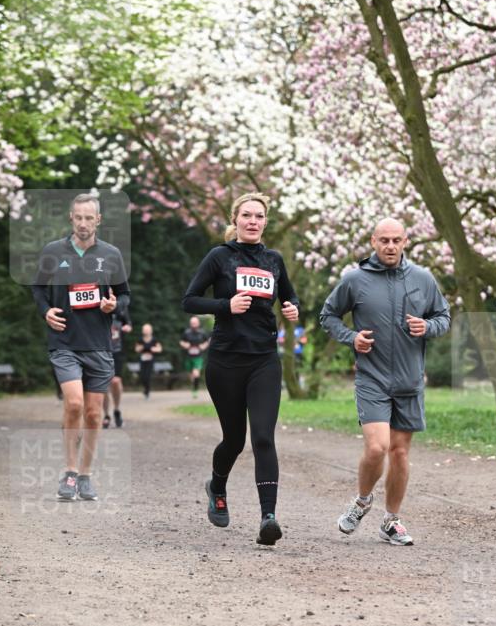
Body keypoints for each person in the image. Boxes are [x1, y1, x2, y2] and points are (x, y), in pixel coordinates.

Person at [320, 217, 450, 546]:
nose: (390, 246)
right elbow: (328, 315)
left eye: (396, 240)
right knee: (377, 447)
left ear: (406, 241)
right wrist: (351, 338)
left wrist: (427, 327)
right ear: (373, 242)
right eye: (384, 241)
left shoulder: (423, 278)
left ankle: (391, 521)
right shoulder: (355, 279)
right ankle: (362, 501)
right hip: (372, 377)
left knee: (400, 453)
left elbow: (443, 317)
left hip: (409, 380)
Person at [182, 191, 299, 545]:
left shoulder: (274, 260)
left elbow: (289, 297)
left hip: (263, 359)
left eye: (259, 216)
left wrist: (292, 308)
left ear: (265, 222)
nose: (252, 221)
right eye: (246, 215)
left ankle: (268, 518)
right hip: (225, 360)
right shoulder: (220, 257)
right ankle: (217, 486)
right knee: (234, 439)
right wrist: (225, 304)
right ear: (235, 221)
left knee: (263, 436)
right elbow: (189, 300)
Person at [31, 192, 130, 501]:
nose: (84, 223)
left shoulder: (111, 254)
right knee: (73, 404)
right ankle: (69, 472)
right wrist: (46, 311)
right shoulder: (53, 251)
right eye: (79, 217)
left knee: (92, 413)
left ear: (98, 220)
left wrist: (113, 306)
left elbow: (124, 295)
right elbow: (37, 286)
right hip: (64, 342)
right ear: (71, 219)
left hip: (99, 344)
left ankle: (86, 475)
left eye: (90, 218)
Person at [102, 310, 132, 428]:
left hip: (117, 351)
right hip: (101, 351)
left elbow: (128, 324)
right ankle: (106, 415)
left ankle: (117, 410)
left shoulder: (121, 307)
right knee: (103, 385)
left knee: (116, 381)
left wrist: (127, 327)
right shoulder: (97, 304)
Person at [179, 315, 210, 397]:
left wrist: (203, 346)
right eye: (192, 323)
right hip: (188, 357)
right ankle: (194, 386)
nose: (194, 324)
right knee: (191, 375)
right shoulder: (186, 333)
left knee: (196, 374)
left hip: (198, 357)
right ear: (190, 324)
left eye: (195, 323)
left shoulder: (202, 333)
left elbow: (208, 341)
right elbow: (181, 342)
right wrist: (185, 345)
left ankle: (195, 391)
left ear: (198, 323)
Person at [135, 323, 162, 398]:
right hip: (143, 360)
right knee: (143, 376)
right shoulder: (140, 340)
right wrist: (141, 348)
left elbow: (160, 349)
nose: (146, 331)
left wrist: (154, 349)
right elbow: (136, 349)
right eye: (145, 330)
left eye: (147, 330)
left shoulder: (154, 340)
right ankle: (145, 388)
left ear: (151, 331)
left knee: (148, 376)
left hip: (150, 360)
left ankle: (147, 391)